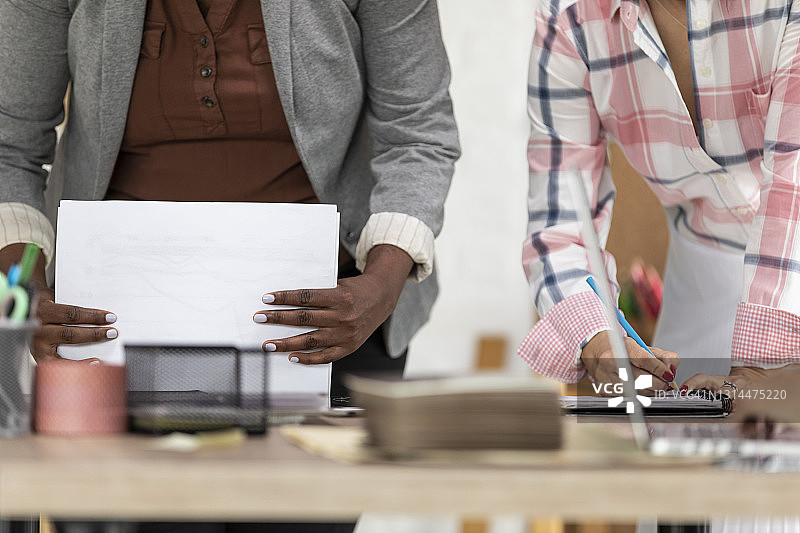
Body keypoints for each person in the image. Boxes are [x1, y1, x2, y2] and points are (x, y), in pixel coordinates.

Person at [0, 0, 459, 408]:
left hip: (333, 326)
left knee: (302, 499)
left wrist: (381, 284)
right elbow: (10, 147)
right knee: (111, 501)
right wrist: (28, 297)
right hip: (103, 332)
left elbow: (417, 133)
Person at [517, 0, 800, 392]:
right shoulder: (569, 20)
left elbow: (792, 190)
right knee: (674, 437)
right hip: (704, 264)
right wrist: (598, 337)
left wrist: (761, 371)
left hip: (793, 258)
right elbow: (560, 224)